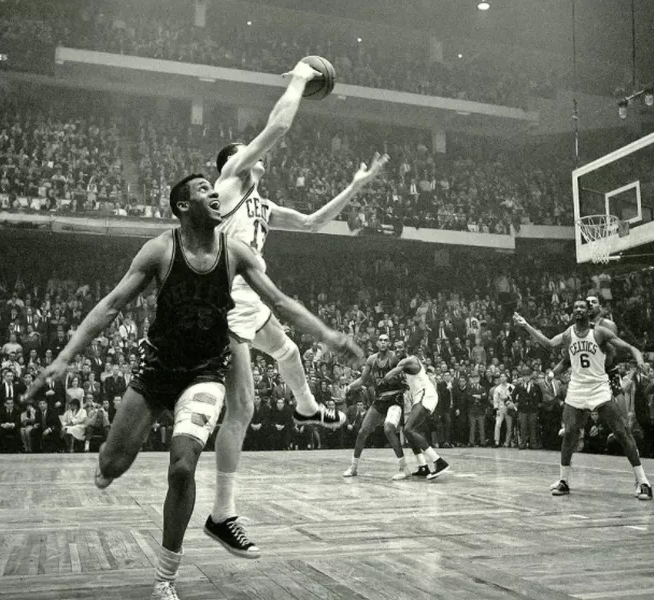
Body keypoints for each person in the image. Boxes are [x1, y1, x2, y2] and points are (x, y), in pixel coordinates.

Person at [27, 173, 361, 600]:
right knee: (112, 465)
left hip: (205, 373)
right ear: (183, 206)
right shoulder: (160, 250)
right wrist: (65, 356)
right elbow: (111, 305)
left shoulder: (235, 251)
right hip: (156, 372)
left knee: (183, 465)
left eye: (213, 188)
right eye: (203, 190)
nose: (214, 194)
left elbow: (279, 303)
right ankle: (108, 463)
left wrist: (329, 336)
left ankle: (165, 577)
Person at [209, 58, 388, 557]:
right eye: (247, 150)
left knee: (288, 354)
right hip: (224, 306)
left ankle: (307, 407)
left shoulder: (263, 205)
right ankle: (222, 513)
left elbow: (311, 222)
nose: (255, 151)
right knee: (240, 409)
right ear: (234, 160)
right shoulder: (229, 180)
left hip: (252, 303)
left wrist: (356, 186)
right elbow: (279, 126)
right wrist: (298, 78)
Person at [514, 302, 653, 500]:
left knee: (622, 432)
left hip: (599, 388)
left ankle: (643, 482)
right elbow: (548, 344)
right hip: (577, 389)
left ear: (588, 313)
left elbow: (631, 347)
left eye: (582, 307)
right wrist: (526, 324)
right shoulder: (568, 334)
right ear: (572, 313)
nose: (578, 309)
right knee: (570, 433)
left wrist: (639, 361)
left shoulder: (600, 333)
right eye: (575, 307)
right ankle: (564, 481)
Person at [342, 334, 409, 479]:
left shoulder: (395, 358)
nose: (383, 342)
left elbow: (408, 371)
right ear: (377, 343)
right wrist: (349, 387)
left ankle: (404, 468)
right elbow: (362, 380)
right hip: (379, 399)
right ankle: (353, 467)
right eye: (381, 340)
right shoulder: (372, 360)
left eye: (386, 340)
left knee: (389, 429)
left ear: (389, 343)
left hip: (394, 399)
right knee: (362, 432)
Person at [379, 344, 450, 480]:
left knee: (408, 429)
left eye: (401, 348)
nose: (398, 350)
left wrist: (382, 379)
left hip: (426, 396)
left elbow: (389, 376)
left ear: (407, 349)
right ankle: (423, 467)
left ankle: (439, 461)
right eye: (396, 348)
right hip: (418, 398)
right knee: (410, 432)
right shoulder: (406, 368)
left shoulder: (408, 360)